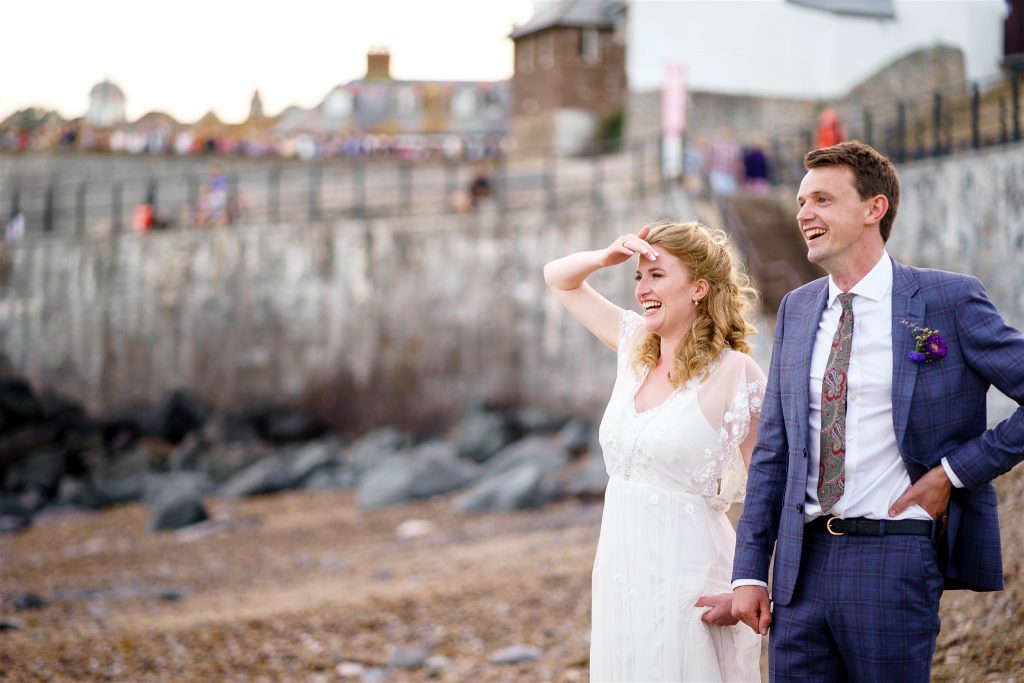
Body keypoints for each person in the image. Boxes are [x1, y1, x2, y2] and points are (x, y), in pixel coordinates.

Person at [731, 140, 1024, 681]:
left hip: (894, 558)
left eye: (822, 199)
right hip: (799, 568)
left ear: (874, 209)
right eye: (800, 201)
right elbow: (775, 449)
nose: (803, 214)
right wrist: (749, 570)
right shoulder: (797, 309)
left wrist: (955, 474)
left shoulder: (947, 301)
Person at [544, 221, 766, 681]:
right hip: (621, 578)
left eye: (657, 275)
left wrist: (752, 583)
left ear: (700, 287)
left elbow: (772, 490)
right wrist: (607, 257)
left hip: (694, 580)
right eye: (638, 277)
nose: (643, 288)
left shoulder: (736, 374)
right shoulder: (633, 346)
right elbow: (558, 277)